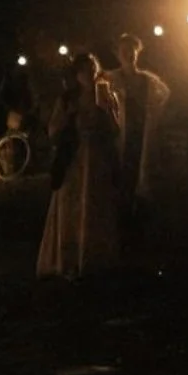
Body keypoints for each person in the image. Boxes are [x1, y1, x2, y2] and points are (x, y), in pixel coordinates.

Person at [36, 51, 121, 280]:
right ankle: (70, 259)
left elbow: (116, 131)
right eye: (85, 70)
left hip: (97, 159)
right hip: (74, 158)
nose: (89, 74)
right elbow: (53, 132)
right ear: (77, 74)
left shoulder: (105, 94)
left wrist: (108, 110)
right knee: (72, 205)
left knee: (94, 204)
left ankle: (95, 257)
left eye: (92, 69)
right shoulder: (68, 99)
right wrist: (68, 116)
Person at [104, 32, 171, 241]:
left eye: (131, 51)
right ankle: (121, 226)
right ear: (118, 54)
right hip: (119, 139)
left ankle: (140, 228)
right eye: (124, 52)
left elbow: (161, 98)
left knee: (142, 181)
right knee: (121, 181)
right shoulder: (110, 79)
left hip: (141, 138)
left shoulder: (148, 81)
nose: (128, 55)